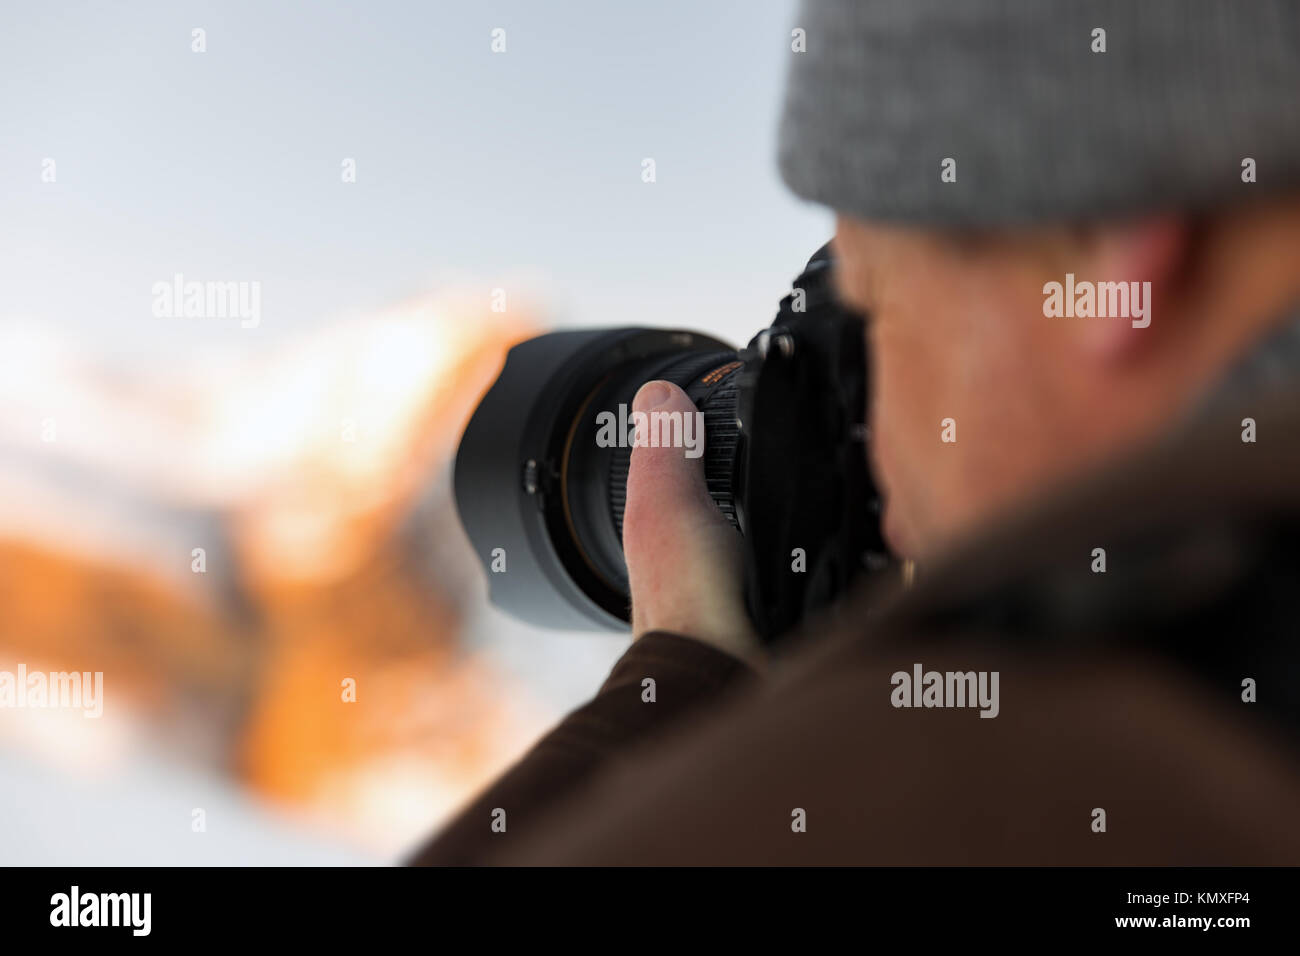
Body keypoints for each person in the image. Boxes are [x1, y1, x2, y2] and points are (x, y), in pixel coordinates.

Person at [410, 0, 1300, 865]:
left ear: (1104, 245)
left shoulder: (1079, 753)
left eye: (871, 308)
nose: (856, 422)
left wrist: (686, 675)